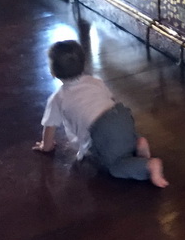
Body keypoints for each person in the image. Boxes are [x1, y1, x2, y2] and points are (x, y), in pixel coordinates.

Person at [33, 39, 168, 187]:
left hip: (100, 131)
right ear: (83, 64)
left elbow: (50, 127)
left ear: (53, 72)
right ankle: (137, 143)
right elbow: (110, 99)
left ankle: (149, 166)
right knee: (121, 139)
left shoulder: (57, 99)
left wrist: (46, 147)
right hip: (121, 116)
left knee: (115, 166)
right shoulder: (94, 81)